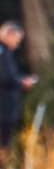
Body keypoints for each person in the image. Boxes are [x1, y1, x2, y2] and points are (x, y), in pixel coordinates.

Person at [0, 21, 37, 154]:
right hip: (3, 105)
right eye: (17, 38)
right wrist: (21, 83)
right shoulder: (2, 51)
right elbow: (4, 77)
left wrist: (21, 80)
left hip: (7, 105)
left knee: (5, 140)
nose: (18, 43)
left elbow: (10, 75)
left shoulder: (7, 53)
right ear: (9, 35)